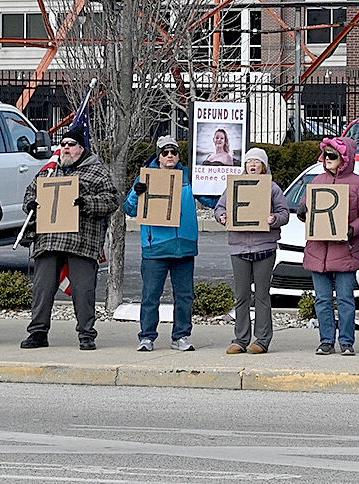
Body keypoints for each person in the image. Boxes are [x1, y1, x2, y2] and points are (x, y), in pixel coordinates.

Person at [20, 127, 119, 350]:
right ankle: (38, 333)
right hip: (49, 239)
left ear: (81, 148)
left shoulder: (97, 171)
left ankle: (86, 334)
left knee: (83, 290)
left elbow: (112, 200)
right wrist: (31, 204)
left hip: (81, 241)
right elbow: (30, 192)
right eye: (63, 144)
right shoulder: (50, 172)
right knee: (42, 288)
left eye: (70, 144)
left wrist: (86, 203)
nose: (65, 147)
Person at [123, 135, 219, 352]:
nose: (169, 156)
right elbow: (129, 209)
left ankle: (181, 335)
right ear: (159, 155)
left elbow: (210, 200)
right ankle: (147, 337)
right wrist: (135, 195)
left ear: (178, 155)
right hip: (155, 247)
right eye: (165, 152)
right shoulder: (146, 178)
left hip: (184, 246)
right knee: (150, 295)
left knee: (185, 296)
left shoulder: (189, 176)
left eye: (173, 152)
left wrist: (223, 185)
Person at [297, 137, 359, 356]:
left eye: (332, 155)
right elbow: (307, 208)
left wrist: (351, 229)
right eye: (325, 155)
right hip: (318, 252)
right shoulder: (316, 181)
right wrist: (303, 211)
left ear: (344, 159)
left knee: (345, 300)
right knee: (322, 301)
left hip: (345, 252)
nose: (327, 159)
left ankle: (347, 341)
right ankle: (326, 341)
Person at [214, 148, 289, 354]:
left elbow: (284, 213)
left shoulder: (272, 188)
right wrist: (222, 217)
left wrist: (274, 219)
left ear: (264, 166)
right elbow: (220, 208)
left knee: (262, 295)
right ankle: (240, 339)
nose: (253, 165)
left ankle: (262, 339)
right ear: (244, 166)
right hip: (239, 248)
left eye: (257, 162)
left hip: (264, 248)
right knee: (241, 295)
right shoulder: (234, 187)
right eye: (249, 162)